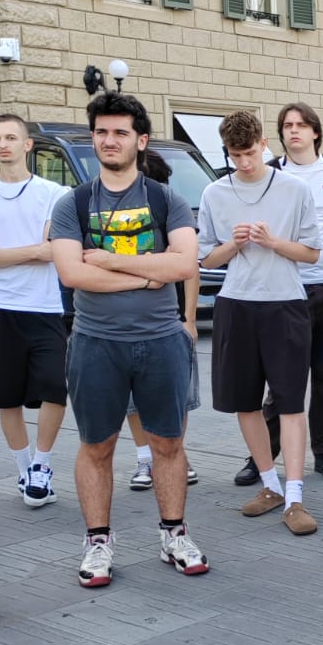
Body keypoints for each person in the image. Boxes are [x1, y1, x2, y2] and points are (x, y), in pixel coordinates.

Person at [49, 91, 208, 587]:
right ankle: (98, 542)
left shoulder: (165, 199)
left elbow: (184, 264)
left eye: (120, 132)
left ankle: (174, 535)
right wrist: (147, 274)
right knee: (96, 446)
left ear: (141, 140)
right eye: (101, 132)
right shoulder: (73, 203)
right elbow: (73, 274)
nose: (109, 140)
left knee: (168, 443)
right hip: (95, 343)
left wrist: (112, 261)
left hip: (160, 342)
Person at [198, 110, 321, 537]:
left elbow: (312, 253)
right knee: (244, 402)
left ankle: (295, 497)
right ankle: (269, 484)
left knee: (291, 403)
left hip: (285, 302)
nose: (244, 162)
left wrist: (273, 242)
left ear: (264, 144)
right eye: (235, 155)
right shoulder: (214, 192)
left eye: (250, 153)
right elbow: (206, 258)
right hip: (235, 304)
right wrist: (233, 244)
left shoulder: (294, 188)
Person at [234, 102, 323, 486]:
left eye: (301, 124)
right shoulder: (271, 173)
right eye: (287, 125)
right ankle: (263, 457)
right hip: (285, 289)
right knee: (282, 379)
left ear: (316, 131)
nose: (294, 130)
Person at [0, 113, 69, 509]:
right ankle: (24, 467)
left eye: (11, 137)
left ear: (27, 144)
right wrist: (31, 250)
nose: (3, 145)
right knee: (6, 395)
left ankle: (42, 464)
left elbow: (53, 251)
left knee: (55, 388)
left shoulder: (54, 193)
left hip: (43, 306)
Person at [120, 150, 200, 492]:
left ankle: (176, 453)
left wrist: (190, 319)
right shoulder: (118, 219)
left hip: (171, 320)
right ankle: (145, 458)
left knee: (176, 395)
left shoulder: (172, 214)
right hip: (126, 321)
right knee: (133, 399)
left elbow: (190, 271)